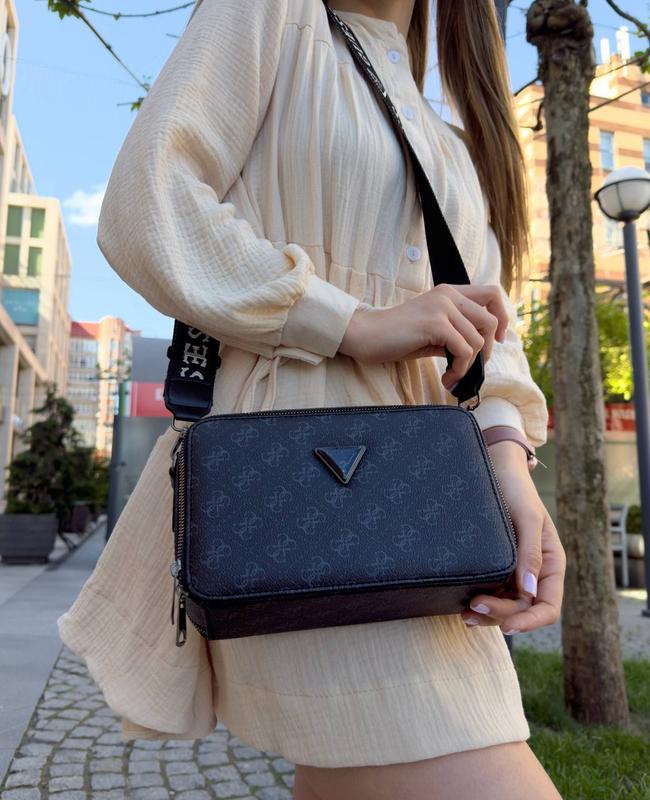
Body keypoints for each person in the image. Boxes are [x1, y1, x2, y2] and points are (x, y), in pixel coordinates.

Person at [57, 0, 567, 797]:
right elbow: (148, 200)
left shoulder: (449, 136)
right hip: (307, 492)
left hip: (432, 514)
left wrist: (509, 462)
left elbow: (489, 328)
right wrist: (352, 321)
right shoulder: (272, 14)